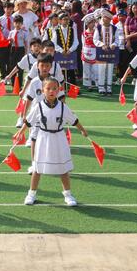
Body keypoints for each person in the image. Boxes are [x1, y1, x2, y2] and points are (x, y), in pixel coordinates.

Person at [14, 77, 87, 206]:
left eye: (54, 88)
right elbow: (29, 121)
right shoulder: (39, 106)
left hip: (59, 139)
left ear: (59, 90)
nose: (51, 91)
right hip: (43, 138)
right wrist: (21, 132)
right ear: (43, 90)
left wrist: (82, 130)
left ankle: (68, 195)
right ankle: (31, 194)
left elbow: (74, 120)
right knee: (37, 168)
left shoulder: (63, 107)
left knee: (63, 168)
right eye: (48, 88)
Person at [93, 9, 122, 95]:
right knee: (101, 69)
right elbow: (95, 39)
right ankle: (101, 87)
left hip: (111, 52)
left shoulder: (114, 28)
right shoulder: (98, 28)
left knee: (110, 69)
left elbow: (117, 40)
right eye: (104, 17)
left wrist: (114, 44)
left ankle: (109, 88)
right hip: (101, 51)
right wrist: (102, 44)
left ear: (110, 19)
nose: (105, 19)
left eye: (107, 17)